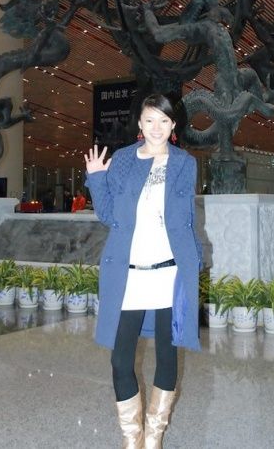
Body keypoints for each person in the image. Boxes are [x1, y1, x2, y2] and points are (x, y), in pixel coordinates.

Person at [84, 94, 202, 449]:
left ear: (173, 125)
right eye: (150, 120)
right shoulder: (122, 159)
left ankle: (153, 438)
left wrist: (193, 264)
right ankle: (132, 438)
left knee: (167, 355)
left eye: (164, 121)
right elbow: (109, 215)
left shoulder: (184, 163)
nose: (156, 128)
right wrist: (96, 178)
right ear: (139, 123)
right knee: (121, 359)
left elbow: (186, 220)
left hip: (169, 274)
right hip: (130, 275)